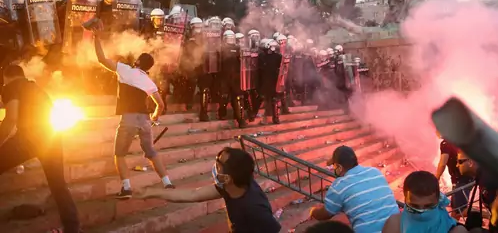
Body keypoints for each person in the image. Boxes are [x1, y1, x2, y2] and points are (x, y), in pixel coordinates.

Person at [93, 30, 174, 199]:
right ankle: (167, 183)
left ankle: (127, 188)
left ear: (137, 62)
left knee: (119, 154)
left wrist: (96, 37)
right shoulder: (149, 81)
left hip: (128, 119)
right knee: (151, 152)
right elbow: (160, 104)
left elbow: (101, 59)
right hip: (144, 120)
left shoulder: (125, 70)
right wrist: (154, 118)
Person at [0, 64, 81, 233]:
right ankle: (72, 228)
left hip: (29, 138)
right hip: (52, 137)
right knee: (59, 185)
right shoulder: (35, 87)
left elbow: (11, 119)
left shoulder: (11, 86)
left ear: (6, 77)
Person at [136, 147, 281, 233]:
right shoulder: (231, 186)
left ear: (227, 178)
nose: (214, 168)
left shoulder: (255, 209)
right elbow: (193, 194)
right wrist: (150, 192)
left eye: (218, 166)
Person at [309, 146, 399, 232]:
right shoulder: (374, 171)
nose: (333, 169)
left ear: (339, 167)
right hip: (398, 228)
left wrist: (313, 211)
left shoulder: (340, 185)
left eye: (334, 166)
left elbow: (325, 214)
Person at [382, 171, 467, 233]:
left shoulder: (456, 231)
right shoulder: (394, 225)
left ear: (437, 200)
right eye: (414, 207)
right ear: (405, 200)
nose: (421, 212)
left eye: (428, 207)